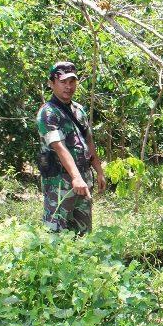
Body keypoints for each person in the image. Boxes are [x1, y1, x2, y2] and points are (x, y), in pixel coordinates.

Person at [36, 61, 106, 234]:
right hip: (60, 182)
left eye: (72, 82)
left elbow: (89, 142)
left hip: (83, 179)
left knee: (83, 233)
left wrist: (99, 171)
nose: (68, 87)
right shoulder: (48, 112)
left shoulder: (79, 110)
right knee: (56, 235)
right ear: (51, 83)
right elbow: (59, 147)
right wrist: (76, 178)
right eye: (63, 82)